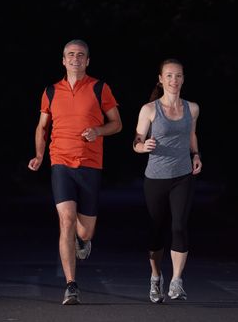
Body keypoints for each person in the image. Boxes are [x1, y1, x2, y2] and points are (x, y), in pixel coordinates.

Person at [28, 39, 122, 305]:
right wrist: (39, 155)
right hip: (60, 163)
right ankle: (71, 285)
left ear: (87, 61)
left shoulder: (99, 88)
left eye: (81, 55)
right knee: (66, 220)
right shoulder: (51, 91)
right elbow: (41, 126)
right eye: (70, 55)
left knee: (85, 232)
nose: (75, 59)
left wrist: (98, 131)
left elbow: (117, 124)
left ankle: (83, 241)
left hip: (90, 165)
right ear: (63, 60)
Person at [132, 58, 202, 303]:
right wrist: (143, 147)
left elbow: (192, 134)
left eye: (179, 76)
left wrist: (196, 155)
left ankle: (176, 281)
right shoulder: (149, 109)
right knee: (156, 232)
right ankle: (155, 277)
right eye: (169, 76)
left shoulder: (192, 108)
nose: (174, 80)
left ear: (183, 79)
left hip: (182, 175)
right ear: (161, 80)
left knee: (179, 226)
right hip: (155, 178)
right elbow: (136, 141)